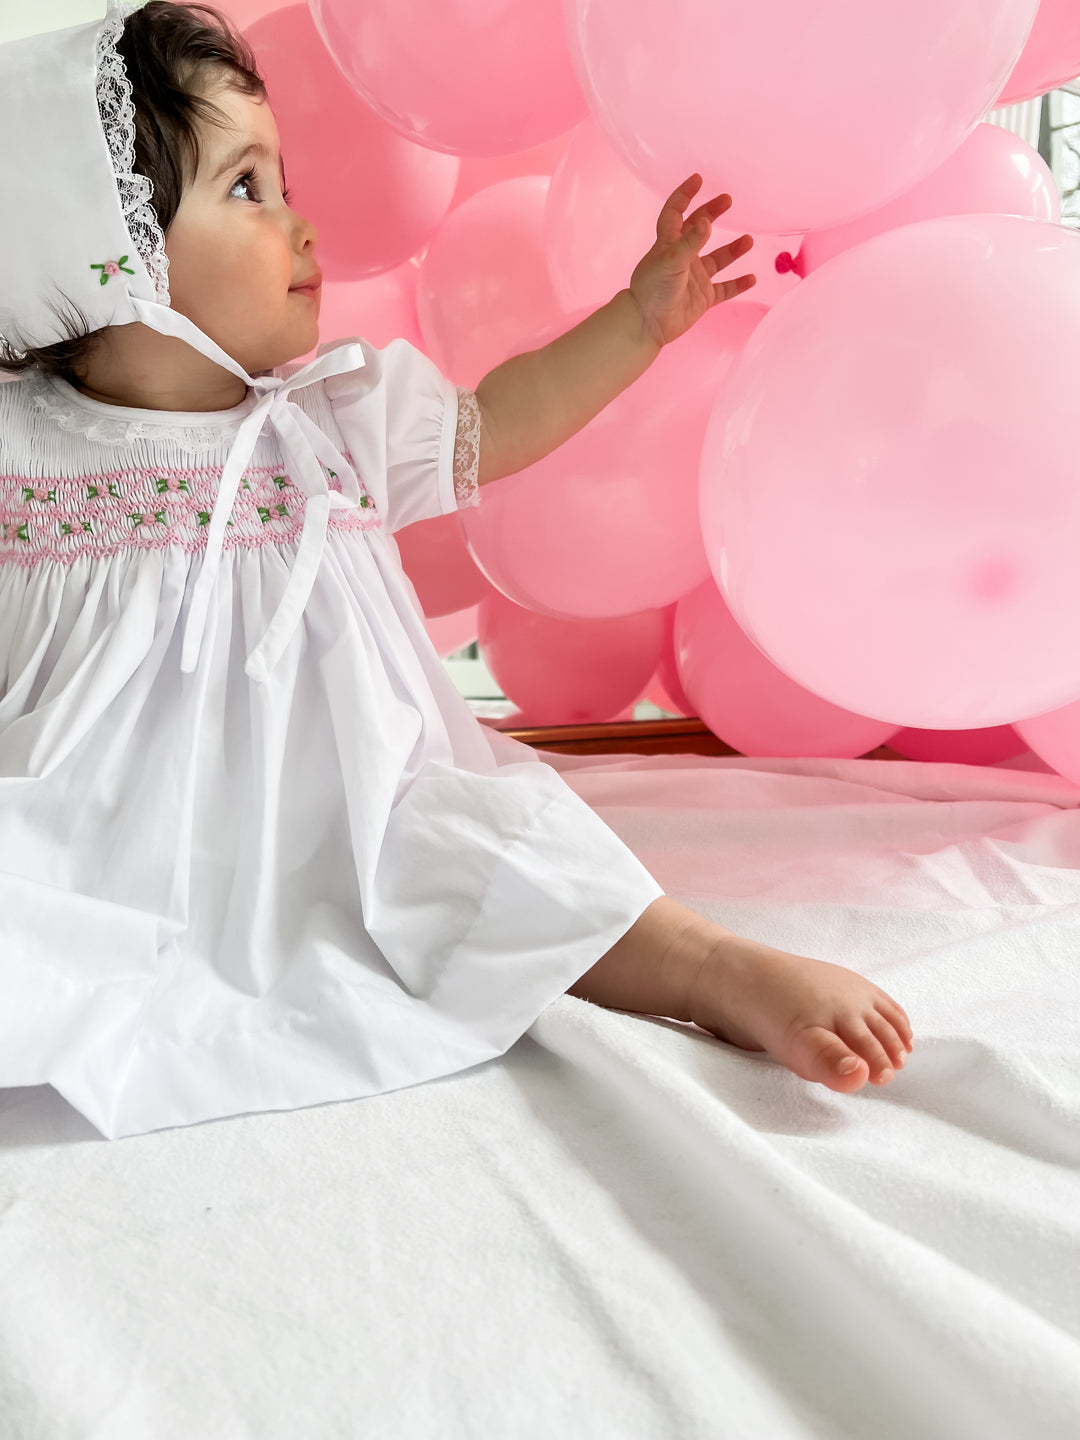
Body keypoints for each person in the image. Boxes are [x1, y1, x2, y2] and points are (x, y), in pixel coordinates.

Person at [0, 0, 911, 1140]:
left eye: (281, 185)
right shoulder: (25, 450)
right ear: (106, 249)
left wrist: (638, 319)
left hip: (363, 807)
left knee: (511, 857)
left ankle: (711, 969)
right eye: (245, 189)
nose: (300, 226)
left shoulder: (330, 417)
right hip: (105, 823)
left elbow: (500, 419)